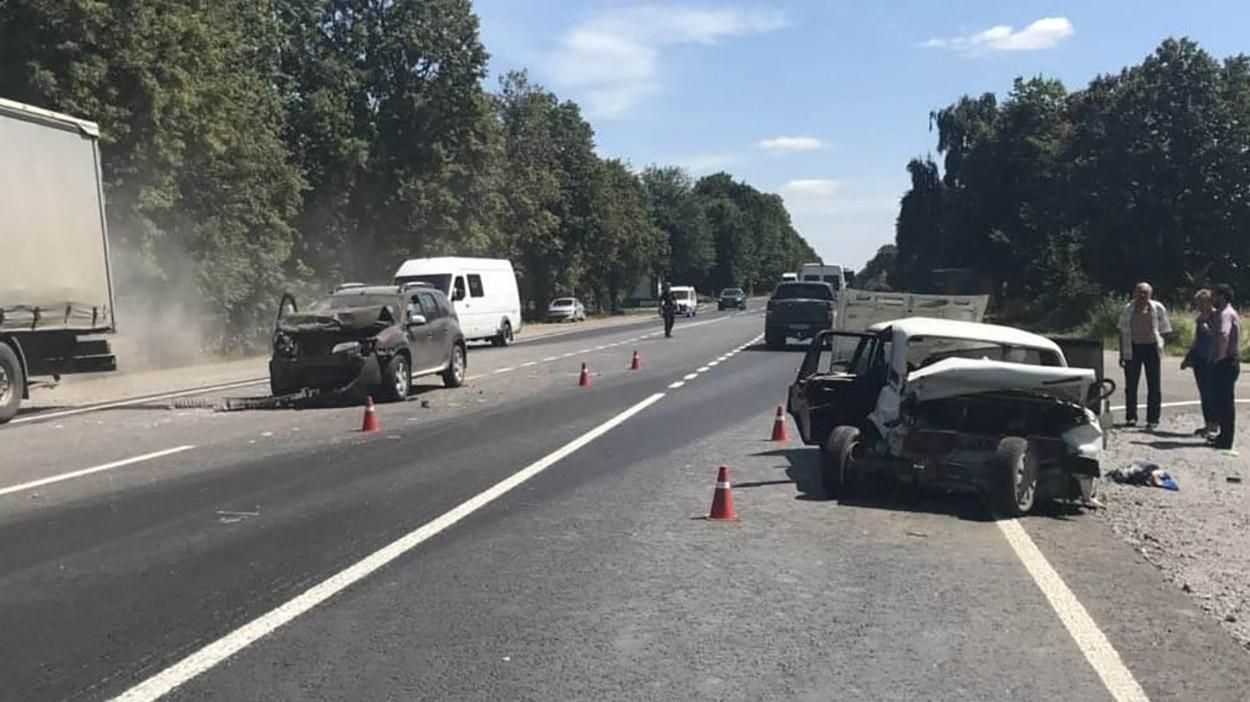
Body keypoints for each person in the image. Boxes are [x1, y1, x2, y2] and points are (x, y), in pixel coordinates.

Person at [1118, 281, 1172, 430]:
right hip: (1133, 348)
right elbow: (1122, 331)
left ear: (1150, 294)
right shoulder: (1128, 309)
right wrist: (1122, 354)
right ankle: (1131, 417)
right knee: (1131, 385)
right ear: (1134, 293)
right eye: (1139, 292)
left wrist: (1160, 344)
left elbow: (1166, 329)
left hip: (1151, 349)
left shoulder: (1157, 308)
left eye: (1145, 293)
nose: (1142, 295)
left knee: (1154, 385)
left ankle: (1153, 419)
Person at [1180, 289, 1218, 439]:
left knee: (1212, 393)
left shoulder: (1217, 316)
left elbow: (1221, 336)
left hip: (1212, 359)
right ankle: (1208, 423)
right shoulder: (1200, 318)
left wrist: (1208, 330)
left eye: (1203, 302)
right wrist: (1188, 358)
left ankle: (1214, 423)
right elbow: (1197, 340)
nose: (1200, 306)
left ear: (1210, 302)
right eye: (1198, 303)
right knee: (1204, 393)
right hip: (1200, 359)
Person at [1208, 284, 1240, 451]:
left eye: (1214, 295)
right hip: (1227, 362)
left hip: (1225, 363)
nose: (1212, 299)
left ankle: (1226, 440)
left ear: (1222, 296)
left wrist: (1219, 356)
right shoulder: (1224, 313)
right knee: (1221, 401)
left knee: (1225, 403)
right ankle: (1223, 436)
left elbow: (1223, 334)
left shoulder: (1225, 314)